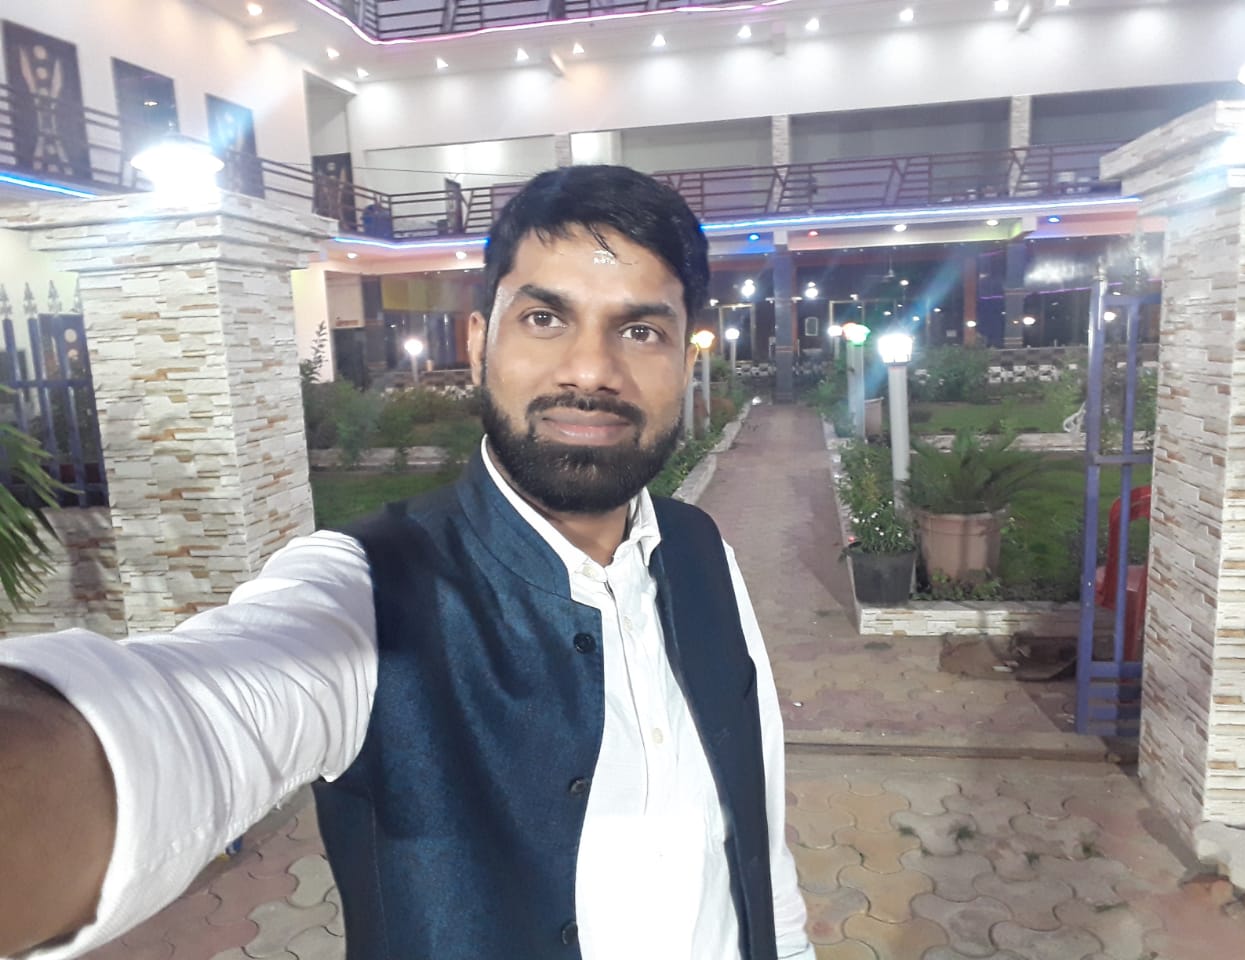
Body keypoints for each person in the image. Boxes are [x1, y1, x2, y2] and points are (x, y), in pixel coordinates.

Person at [0, 165, 814, 960]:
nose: (591, 370)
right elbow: (195, 717)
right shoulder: (369, 591)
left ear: (685, 361)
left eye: (640, 331)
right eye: (544, 318)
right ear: (479, 341)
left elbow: (754, 836)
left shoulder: (704, 554)